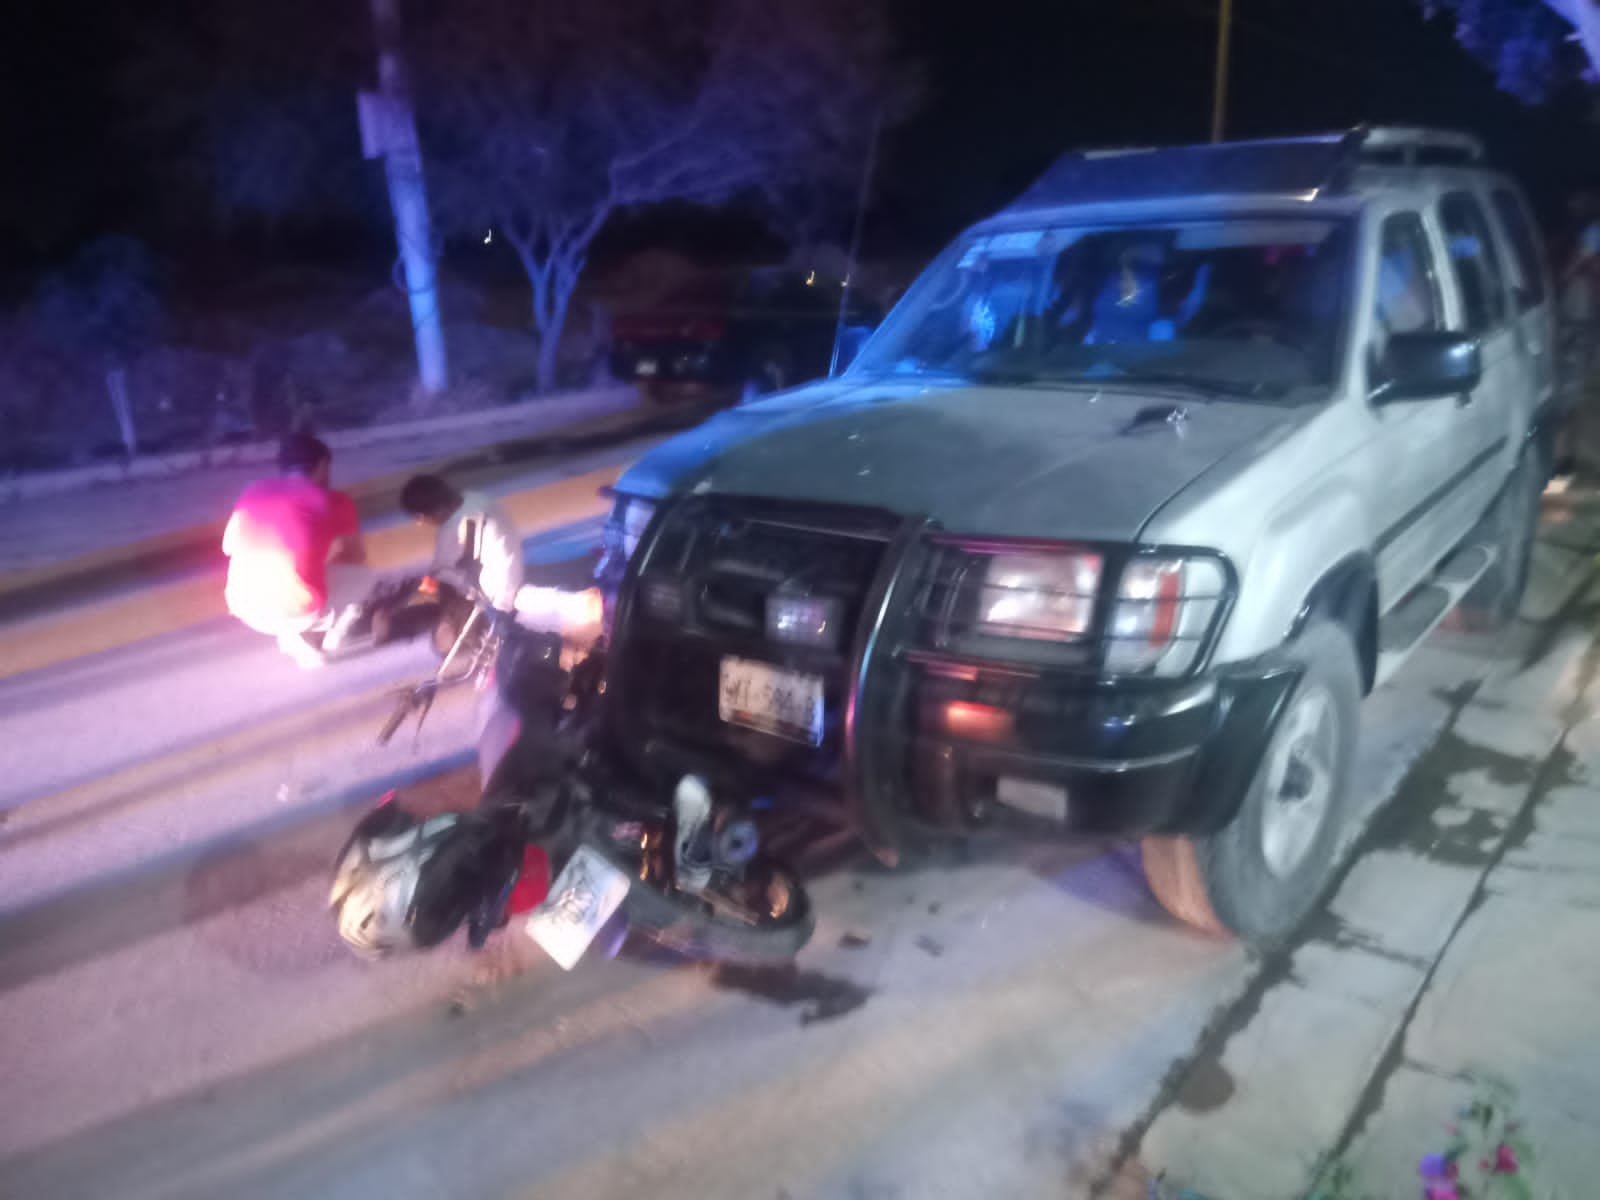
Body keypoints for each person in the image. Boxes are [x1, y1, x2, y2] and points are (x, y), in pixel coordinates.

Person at [223, 433, 375, 668]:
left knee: (298, 569)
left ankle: (297, 631)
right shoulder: (334, 500)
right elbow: (357, 556)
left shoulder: (253, 491)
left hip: (245, 608)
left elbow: (229, 547)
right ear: (323, 465)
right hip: (299, 608)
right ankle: (309, 633)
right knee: (364, 576)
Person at [398, 474, 525, 613]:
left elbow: (441, 574)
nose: (420, 523)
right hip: (510, 579)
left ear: (426, 514)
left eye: (419, 518)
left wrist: (419, 595)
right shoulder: (475, 497)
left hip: (498, 599)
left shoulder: (452, 531)